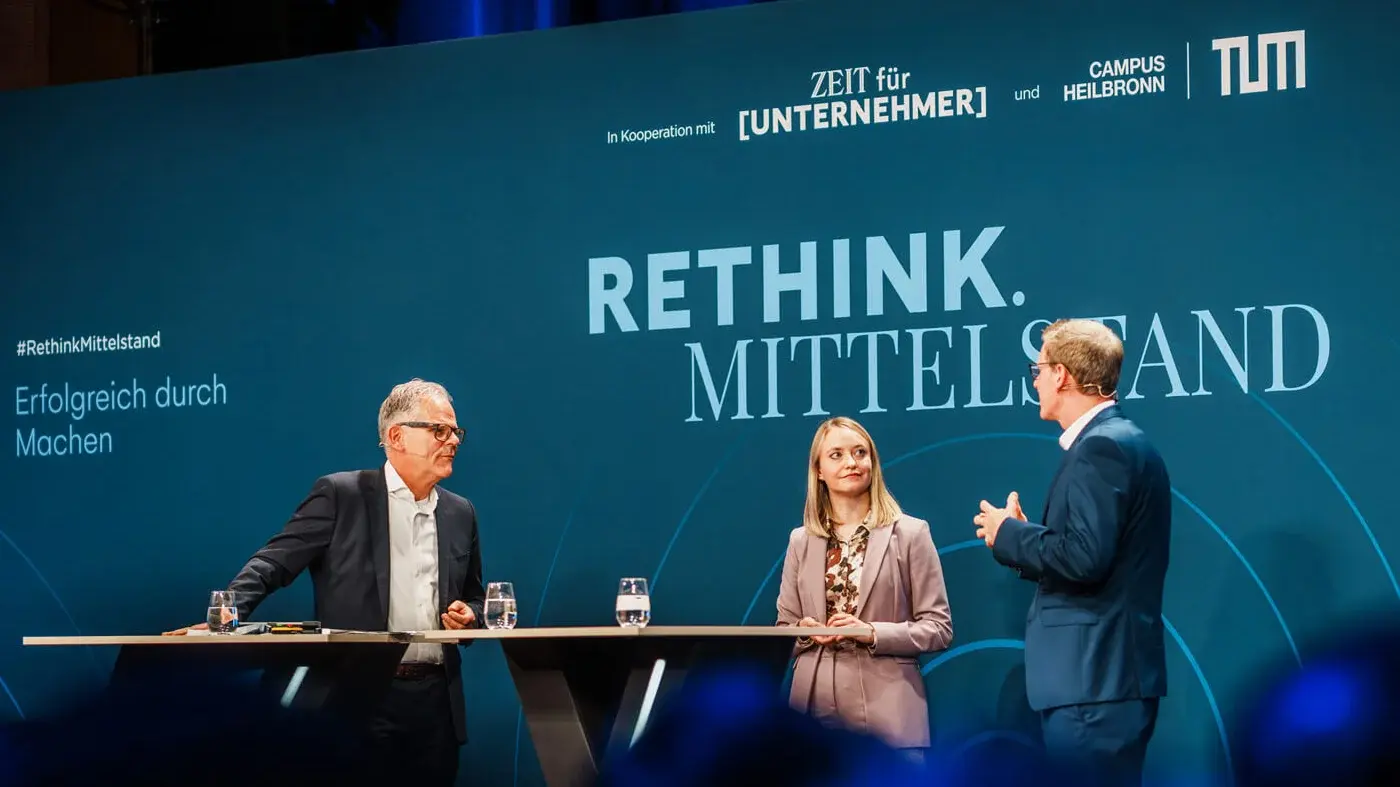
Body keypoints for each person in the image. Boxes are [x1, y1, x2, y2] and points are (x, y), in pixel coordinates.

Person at [164, 378, 485, 786]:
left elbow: (475, 596)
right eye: (439, 430)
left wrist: (470, 614)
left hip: (435, 705)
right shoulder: (341, 495)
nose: (453, 440)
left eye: (455, 431)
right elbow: (272, 564)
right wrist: (221, 621)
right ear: (396, 436)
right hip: (358, 697)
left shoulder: (461, 513)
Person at [972, 319, 1171, 787]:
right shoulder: (1117, 441)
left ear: (1061, 375)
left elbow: (1085, 558)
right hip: (1101, 682)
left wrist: (1009, 535)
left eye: (1038, 369)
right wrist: (1022, 535)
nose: (1035, 381)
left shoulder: (1102, 447)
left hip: (1094, 683)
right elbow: (1093, 550)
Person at [775, 416, 954, 761]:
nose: (851, 463)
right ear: (819, 472)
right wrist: (804, 632)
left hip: (889, 709)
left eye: (860, 452)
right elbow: (785, 627)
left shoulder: (911, 534)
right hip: (812, 709)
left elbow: (938, 629)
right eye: (837, 455)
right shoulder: (801, 540)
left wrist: (871, 632)